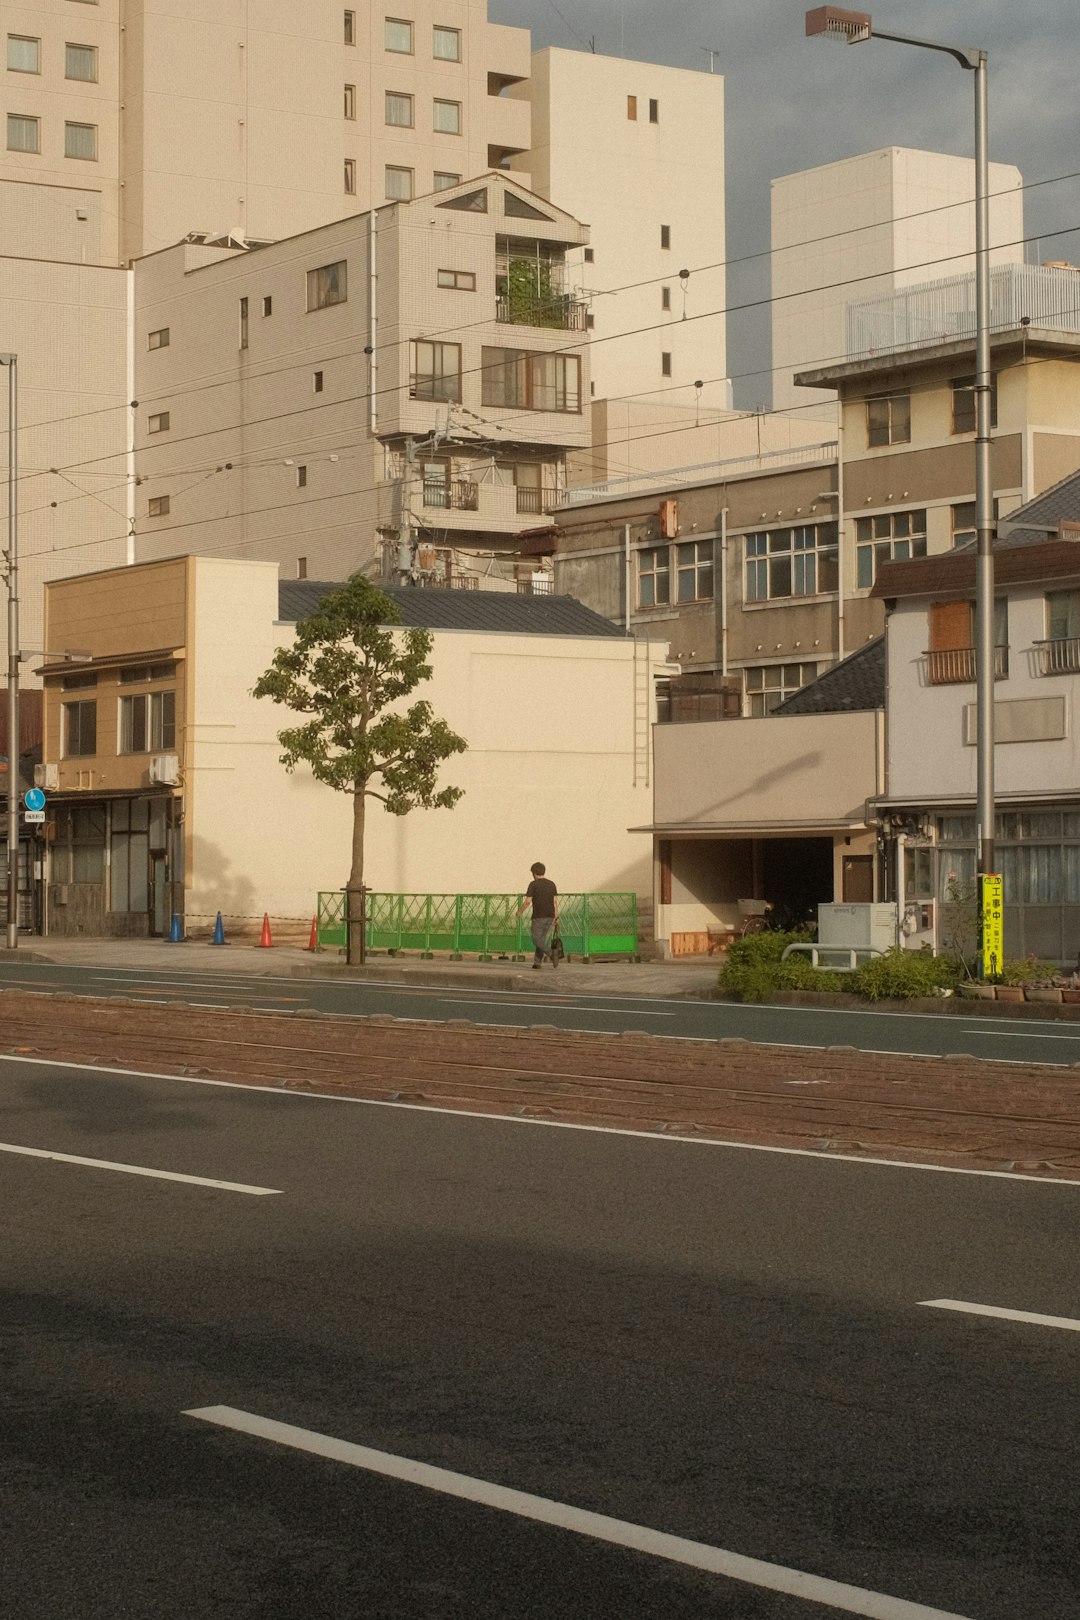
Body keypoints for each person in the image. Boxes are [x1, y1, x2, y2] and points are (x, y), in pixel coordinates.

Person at [517, 861, 559, 968]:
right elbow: (555, 902)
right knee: (542, 939)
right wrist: (556, 916)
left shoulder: (533, 884)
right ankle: (537, 963)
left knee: (536, 939)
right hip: (550, 916)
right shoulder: (551, 884)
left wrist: (520, 911)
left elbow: (528, 901)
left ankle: (551, 953)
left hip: (538, 916)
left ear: (534, 873)